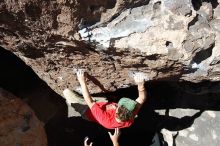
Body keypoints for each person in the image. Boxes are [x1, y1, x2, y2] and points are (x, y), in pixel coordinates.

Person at [63, 69, 147, 129]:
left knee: (66, 92)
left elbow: (89, 101)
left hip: (87, 111)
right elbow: (141, 99)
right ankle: (86, 94)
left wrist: (82, 81)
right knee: (102, 99)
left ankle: (78, 96)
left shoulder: (106, 120)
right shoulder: (129, 116)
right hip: (103, 105)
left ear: (117, 110)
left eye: (119, 105)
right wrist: (141, 85)